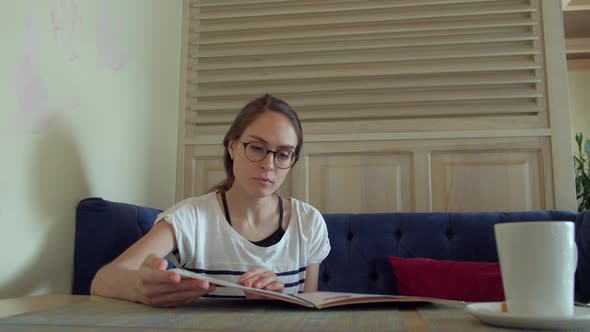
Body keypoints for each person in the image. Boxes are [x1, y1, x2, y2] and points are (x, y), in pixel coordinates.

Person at [91, 94, 331, 307]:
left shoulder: (308, 221)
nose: (268, 164)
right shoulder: (191, 218)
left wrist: (279, 302)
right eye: (257, 148)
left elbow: (309, 311)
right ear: (233, 147)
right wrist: (140, 288)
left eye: (284, 154)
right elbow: (103, 281)